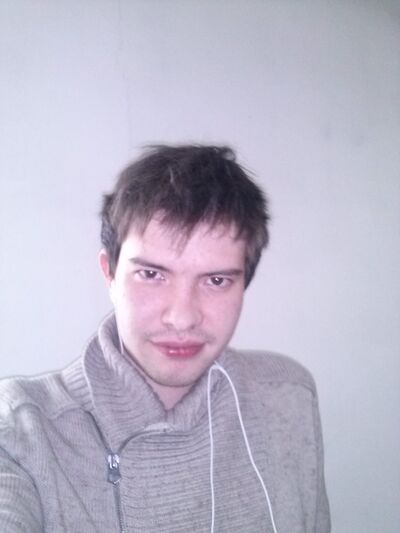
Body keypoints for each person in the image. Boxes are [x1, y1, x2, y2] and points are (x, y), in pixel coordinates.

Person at [0, 145, 330, 532]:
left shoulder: (287, 397)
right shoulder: (23, 433)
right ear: (109, 273)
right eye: (152, 275)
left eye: (216, 280)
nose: (182, 317)